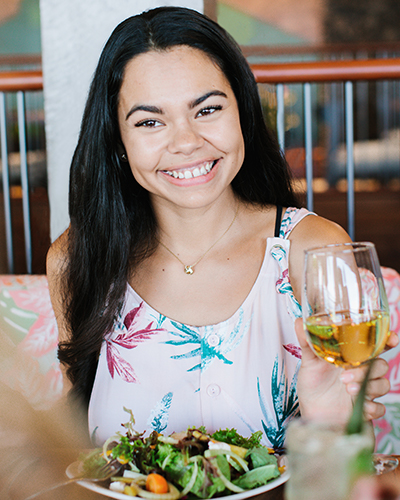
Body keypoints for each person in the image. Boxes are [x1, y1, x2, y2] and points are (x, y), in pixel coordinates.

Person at [47, 6, 394, 447]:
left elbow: (352, 475)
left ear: (242, 114)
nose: (187, 142)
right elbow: (76, 443)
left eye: (207, 110)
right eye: (150, 122)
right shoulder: (77, 260)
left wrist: (333, 426)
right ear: (118, 141)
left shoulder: (313, 251)